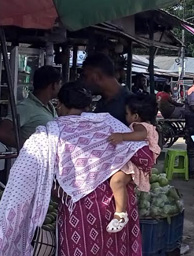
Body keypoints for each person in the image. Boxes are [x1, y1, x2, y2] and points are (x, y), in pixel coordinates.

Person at [0, 82, 155, 255]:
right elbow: (145, 158)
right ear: (88, 106)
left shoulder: (49, 134)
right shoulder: (111, 124)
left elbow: (24, 176)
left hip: (79, 211)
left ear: (59, 104)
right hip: (118, 209)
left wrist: (55, 190)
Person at [106, 93, 161, 233]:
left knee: (116, 182)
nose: (126, 117)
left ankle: (120, 214)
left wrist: (122, 136)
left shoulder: (139, 126)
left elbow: (140, 135)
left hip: (134, 165)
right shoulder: (149, 126)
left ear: (135, 116)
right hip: (136, 164)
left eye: (127, 114)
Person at [17, 65, 61, 144]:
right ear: (53, 85)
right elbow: (3, 132)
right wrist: (28, 146)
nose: (60, 87)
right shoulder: (26, 107)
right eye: (59, 84)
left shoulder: (49, 106)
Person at [82, 53, 130, 123]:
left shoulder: (132, 104)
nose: (84, 82)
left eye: (86, 76)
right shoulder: (101, 103)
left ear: (96, 76)